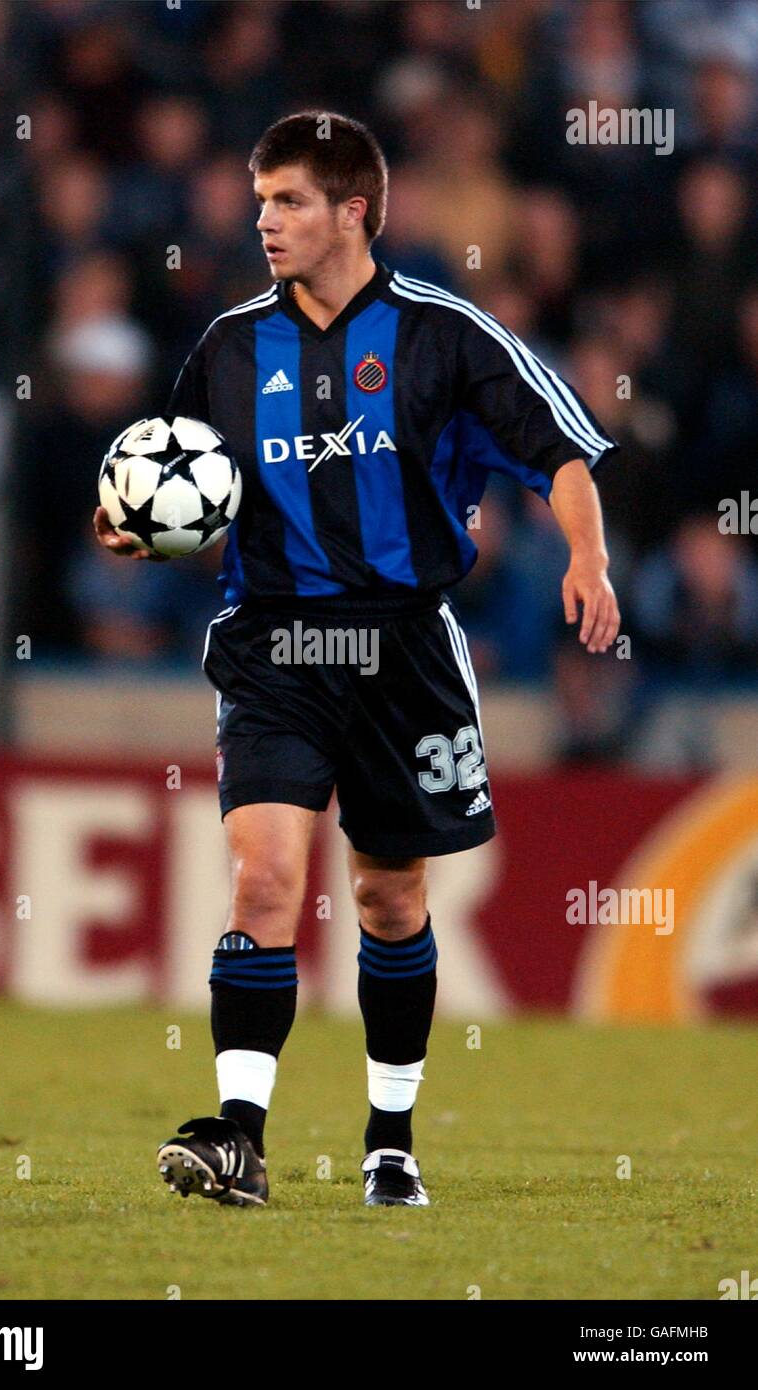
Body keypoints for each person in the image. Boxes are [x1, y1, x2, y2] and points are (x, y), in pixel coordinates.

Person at [93, 111, 621, 1208]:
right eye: (259, 200)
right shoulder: (230, 349)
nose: (264, 221)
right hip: (273, 641)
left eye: (287, 201)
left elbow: (557, 448)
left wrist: (587, 556)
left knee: (387, 898)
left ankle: (389, 1136)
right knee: (266, 877)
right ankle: (237, 1132)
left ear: (353, 210)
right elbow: (178, 479)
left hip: (401, 648)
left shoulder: (445, 334)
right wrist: (137, 525)